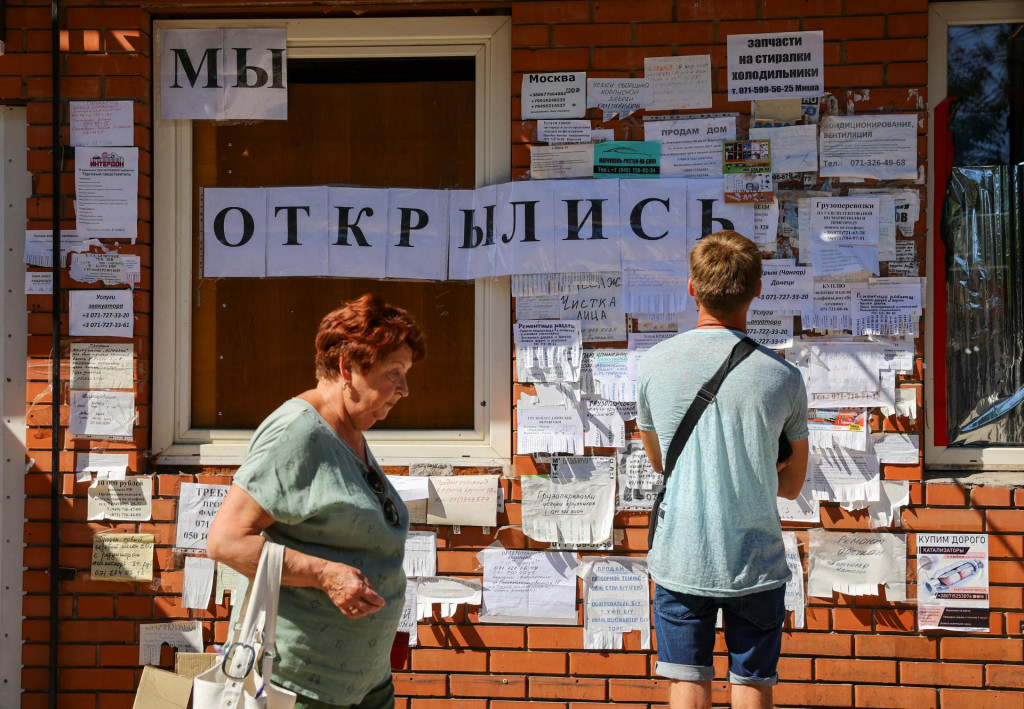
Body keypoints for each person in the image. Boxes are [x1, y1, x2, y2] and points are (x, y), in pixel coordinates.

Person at [207, 293, 425, 709]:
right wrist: (326, 574)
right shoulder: (298, 432)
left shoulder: (348, 428)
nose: (405, 389)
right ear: (347, 367)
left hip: (364, 683)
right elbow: (225, 541)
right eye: (394, 373)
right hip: (300, 687)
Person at [637, 230, 810, 709]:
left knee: (686, 679)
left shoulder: (653, 365)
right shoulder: (782, 376)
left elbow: (658, 461)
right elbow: (793, 484)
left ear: (691, 288)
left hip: (681, 554)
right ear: (758, 290)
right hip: (755, 560)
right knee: (752, 683)